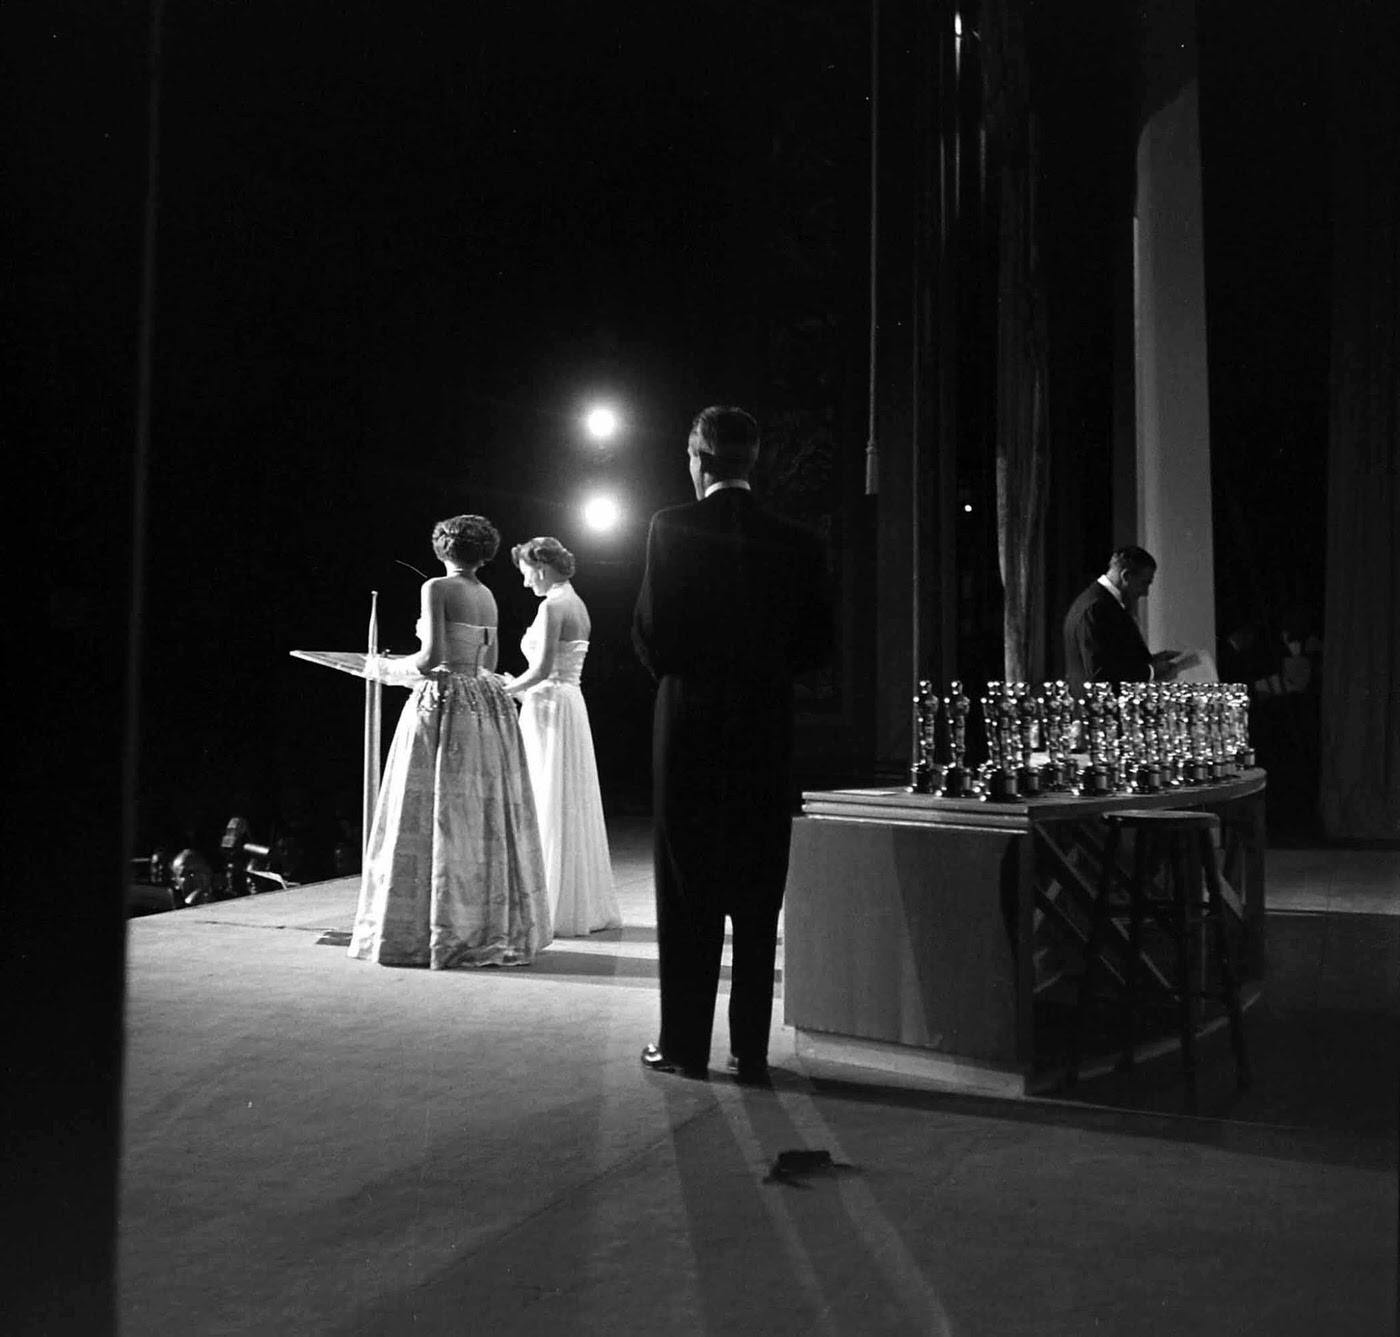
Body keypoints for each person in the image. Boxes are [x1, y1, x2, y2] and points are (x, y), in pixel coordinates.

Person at [632, 405, 833, 1083]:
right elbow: (818, 646)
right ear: (752, 461)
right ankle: (750, 1049)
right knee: (756, 880)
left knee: (686, 882)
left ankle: (684, 1045)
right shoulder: (798, 540)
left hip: (688, 717)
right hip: (764, 720)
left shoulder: (670, 526)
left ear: (698, 458)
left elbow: (653, 631)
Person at [348, 514, 551, 968]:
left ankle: (434, 927)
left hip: (444, 702)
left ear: (443, 550)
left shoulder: (436, 589)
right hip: (482, 702)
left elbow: (432, 657)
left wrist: (386, 667)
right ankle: (477, 920)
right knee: (474, 812)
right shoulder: (488, 595)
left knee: (436, 809)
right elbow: (490, 659)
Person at [502, 536, 621, 936]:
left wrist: (503, 689)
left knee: (549, 796)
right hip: (566, 701)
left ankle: (551, 902)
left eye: (525, 574)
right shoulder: (577, 603)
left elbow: (540, 670)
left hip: (551, 703)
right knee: (562, 798)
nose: (524, 584)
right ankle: (568, 898)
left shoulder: (553, 605)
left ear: (541, 567)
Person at [1062, 545, 1184, 695]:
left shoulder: (1101, 603)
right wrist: (1151, 671)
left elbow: (1113, 658)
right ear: (1125, 576)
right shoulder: (1097, 608)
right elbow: (1099, 675)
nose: (1145, 592)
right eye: (1144, 583)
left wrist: (1151, 660)